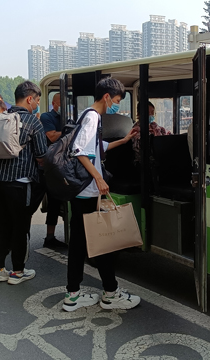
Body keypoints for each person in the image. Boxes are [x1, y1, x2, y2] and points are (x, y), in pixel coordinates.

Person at [63, 77, 140, 312]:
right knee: (104, 242)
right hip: (88, 192)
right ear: (106, 97)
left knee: (80, 244)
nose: (116, 105)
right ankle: (110, 293)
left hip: (82, 192)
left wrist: (123, 141)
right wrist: (98, 177)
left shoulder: (87, 115)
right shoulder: (93, 117)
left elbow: (97, 147)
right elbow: (80, 152)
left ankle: (74, 294)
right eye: (116, 101)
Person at [0, 81, 48, 285]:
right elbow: (41, 155)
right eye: (37, 100)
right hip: (19, 182)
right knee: (20, 226)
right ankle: (18, 271)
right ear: (29, 99)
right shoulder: (32, 121)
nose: (37, 103)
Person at [39, 92, 68, 248]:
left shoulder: (68, 118)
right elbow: (51, 136)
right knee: (44, 200)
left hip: (63, 164)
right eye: (60, 103)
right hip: (47, 166)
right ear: (54, 104)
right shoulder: (47, 117)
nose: (63, 106)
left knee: (56, 201)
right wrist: (69, 132)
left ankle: (51, 237)